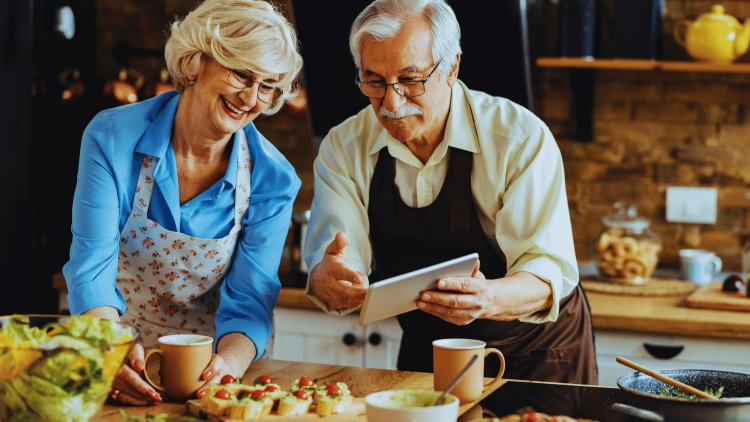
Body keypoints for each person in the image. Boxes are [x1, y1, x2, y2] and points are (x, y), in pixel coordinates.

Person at [304, 0, 597, 384]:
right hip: (429, 355)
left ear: (452, 67)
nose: (391, 102)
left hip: (536, 357)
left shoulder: (518, 138)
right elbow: (340, 257)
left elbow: (547, 272)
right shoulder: (344, 147)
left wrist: (486, 298)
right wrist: (331, 279)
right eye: (374, 81)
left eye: (410, 79)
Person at [63, 0, 302, 405]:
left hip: (213, 375)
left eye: (267, 86)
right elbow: (92, 266)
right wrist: (108, 351)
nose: (250, 98)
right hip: (120, 356)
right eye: (241, 74)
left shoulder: (272, 179)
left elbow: (249, 302)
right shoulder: (111, 138)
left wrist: (227, 366)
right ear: (196, 61)